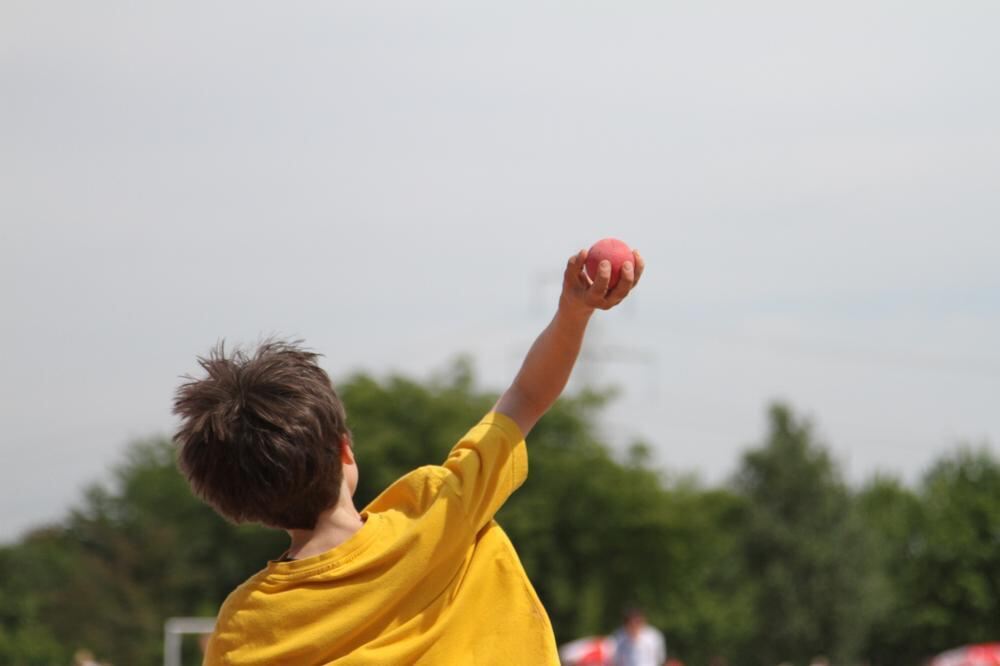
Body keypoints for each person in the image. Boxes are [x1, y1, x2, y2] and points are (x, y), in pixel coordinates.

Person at [172, 247, 644, 665]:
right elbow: (525, 397)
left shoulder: (244, 628)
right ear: (344, 450)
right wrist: (573, 312)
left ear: (237, 506)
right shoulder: (436, 510)